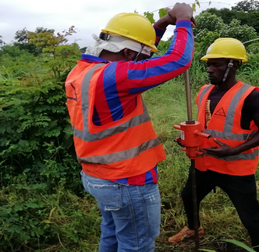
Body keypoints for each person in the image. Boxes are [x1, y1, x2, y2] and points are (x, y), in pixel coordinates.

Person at [65, 3, 195, 252]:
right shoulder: (116, 77)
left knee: (112, 236)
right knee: (136, 246)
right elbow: (178, 61)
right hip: (127, 180)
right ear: (126, 53)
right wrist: (183, 21)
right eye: (144, 56)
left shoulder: (81, 72)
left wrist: (160, 25)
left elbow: (135, 52)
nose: (146, 62)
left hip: (98, 176)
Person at [168, 38, 259, 252]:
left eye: (217, 64)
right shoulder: (204, 91)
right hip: (203, 164)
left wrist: (234, 150)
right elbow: (205, 127)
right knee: (188, 196)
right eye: (209, 64)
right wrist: (187, 138)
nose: (210, 69)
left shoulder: (252, 96)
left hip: (235, 169)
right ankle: (194, 228)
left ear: (233, 65)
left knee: (250, 217)